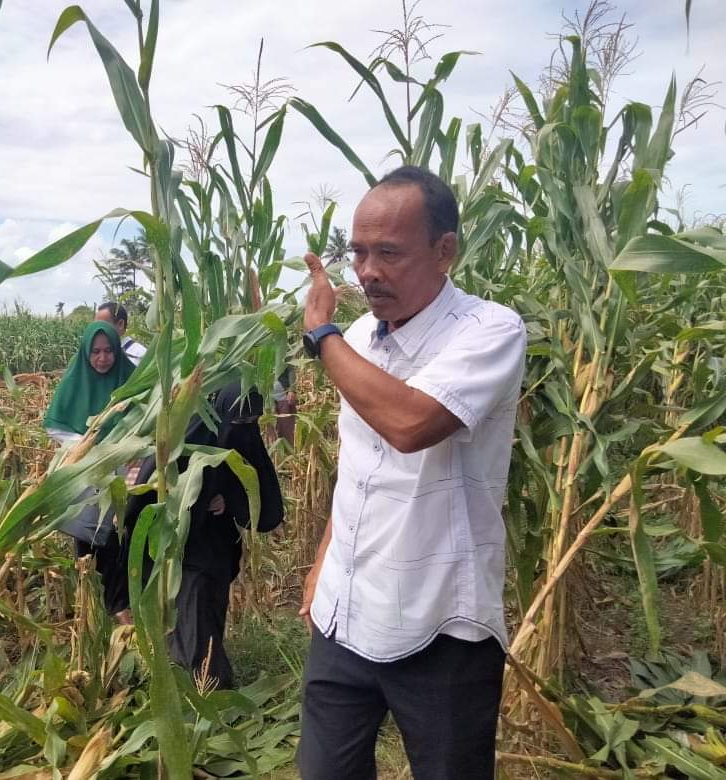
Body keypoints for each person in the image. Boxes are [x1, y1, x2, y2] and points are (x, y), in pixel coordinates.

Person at [297, 166, 527, 779]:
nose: (368, 271)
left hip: (439, 624)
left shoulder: (490, 330)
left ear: (445, 250)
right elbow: (361, 468)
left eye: (389, 253)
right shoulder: (360, 341)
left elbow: (409, 424)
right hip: (344, 610)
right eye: (359, 253)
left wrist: (321, 334)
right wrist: (325, 561)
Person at [120, 383, 284, 688]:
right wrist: (194, 498)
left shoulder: (241, 437)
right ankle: (210, 684)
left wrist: (226, 495)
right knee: (194, 607)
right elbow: (155, 487)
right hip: (184, 543)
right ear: (220, 412)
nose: (244, 430)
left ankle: (194, 670)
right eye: (238, 422)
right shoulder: (190, 436)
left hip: (218, 543)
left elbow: (250, 481)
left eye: (251, 423)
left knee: (211, 606)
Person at [43, 320, 136, 615]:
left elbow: (145, 419)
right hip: (84, 473)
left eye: (109, 351)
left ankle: (120, 606)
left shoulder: (130, 380)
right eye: (95, 352)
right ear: (86, 354)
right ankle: (90, 605)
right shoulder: (74, 381)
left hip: (121, 471)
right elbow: (55, 425)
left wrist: (121, 448)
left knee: (119, 539)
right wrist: (87, 444)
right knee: (87, 539)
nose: (103, 358)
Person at [95, 301, 147, 365]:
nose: (97, 331)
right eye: (95, 326)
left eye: (103, 325)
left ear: (120, 324)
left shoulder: (140, 355)